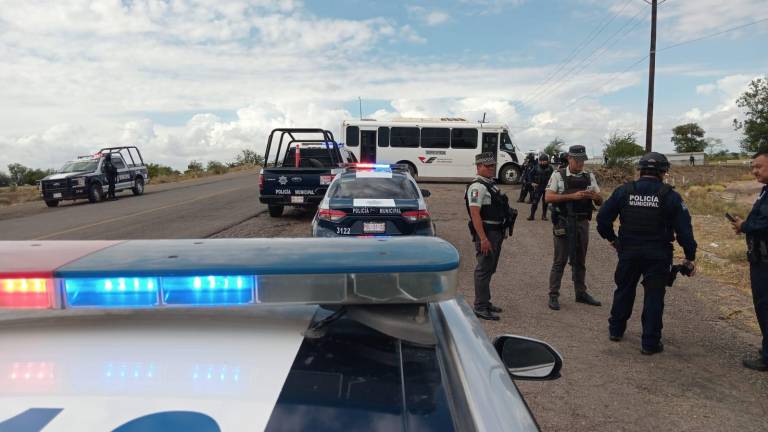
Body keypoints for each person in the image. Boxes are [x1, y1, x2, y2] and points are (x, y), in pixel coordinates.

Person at [597, 152, 697, 355]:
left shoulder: (623, 191)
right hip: (657, 255)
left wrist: (613, 239)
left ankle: (616, 330)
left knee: (624, 289)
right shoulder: (670, 196)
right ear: (664, 172)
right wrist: (690, 256)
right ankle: (650, 343)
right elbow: (685, 231)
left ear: (640, 170)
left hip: (628, 251)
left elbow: (602, 219)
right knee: (654, 296)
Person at [545, 145, 603, 310]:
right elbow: (548, 197)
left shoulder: (589, 176)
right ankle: (553, 295)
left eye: (582, 160)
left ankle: (581, 293)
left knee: (580, 259)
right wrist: (572, 196)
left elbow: (600, 201)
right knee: (560, 260)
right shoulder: (559, 175)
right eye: (577, 160)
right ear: (569, 159)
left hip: (582, 222)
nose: (580, 164)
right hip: (564, 222)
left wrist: (595, 196)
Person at [465, 152, 514, 321]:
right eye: (487, 166)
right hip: (487, 233)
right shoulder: (477, 187)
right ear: (478, 167)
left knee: (490, 268)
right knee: (483, 269)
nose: (491, 169)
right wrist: (483, 238)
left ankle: (485, 302)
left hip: (496, 232)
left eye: (493, 165)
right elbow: (475, 213)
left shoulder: (490, 184)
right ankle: (479, 306)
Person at [731, 150, 768, 371]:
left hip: (765, 263)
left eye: (760, 166)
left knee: (765, 307)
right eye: (752, 166)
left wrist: (744, 226)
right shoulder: (765, 191)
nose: (755, 171)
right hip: (760, 259)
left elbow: (764, 224)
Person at [528, 154, 554, 221]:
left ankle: (544, 216)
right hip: (538, 187)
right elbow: (530, 175)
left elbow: (553, 177)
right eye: (541, 161)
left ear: (547, 161)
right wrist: (531, 182)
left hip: (547, 188)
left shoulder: (550, 168)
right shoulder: (536, 167)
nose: (542, 162)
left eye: (544, 161)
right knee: (535, 202)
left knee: (545, 202)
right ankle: (531, 215)